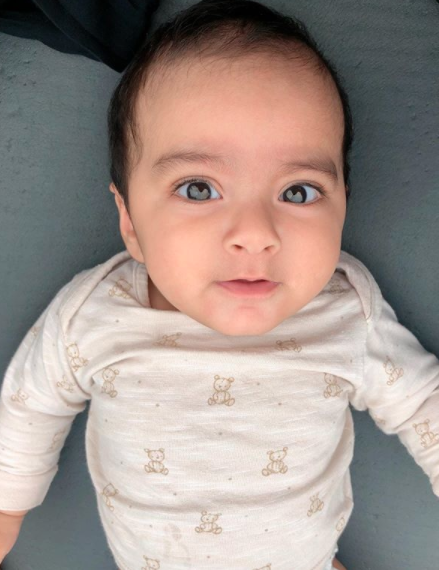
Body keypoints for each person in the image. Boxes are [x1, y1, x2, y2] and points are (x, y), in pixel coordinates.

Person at [0, 1, 437, 569]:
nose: (255, 235)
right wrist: (7, 508)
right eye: (198, 189)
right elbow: (30, 406)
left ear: (343, 209)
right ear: (130, 221)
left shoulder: (348, 313)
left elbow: (423, 403)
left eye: (299, 192)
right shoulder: (93, 315)